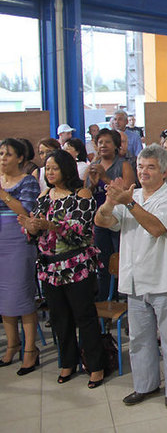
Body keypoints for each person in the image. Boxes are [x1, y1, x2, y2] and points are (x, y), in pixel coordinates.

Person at [94, 144, 167, 409]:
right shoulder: (132, 195)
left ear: (165, 172)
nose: (143, 172)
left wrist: (128, 203)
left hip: (165, 280)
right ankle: (145, 385)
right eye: (140, 166)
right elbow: (103, 221)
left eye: (150, 167)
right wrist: (110, 202)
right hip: (135, 281)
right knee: (139, 339)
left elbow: (157, 228)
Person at [19, 149, 105, 387]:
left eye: (54, 168)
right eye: (47, 169)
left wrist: (51, 225)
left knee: (84, 316)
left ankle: (95, 366)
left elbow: (81, 232)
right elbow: (36, 231)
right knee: (59, 318)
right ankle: (68, 362)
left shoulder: (81, 194)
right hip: (49, 267)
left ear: (66, 169)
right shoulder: (45, 195)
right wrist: (31, 227)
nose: (50, 172)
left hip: (75, 265)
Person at [0, 138, 42, 375]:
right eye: (0, 154)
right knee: (3, 297)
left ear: (20, 158)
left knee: (22, 295)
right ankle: (12, 344)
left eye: (7, 154)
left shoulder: (28, 181)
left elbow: (26, 211)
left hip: (18, 242)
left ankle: (29, 349)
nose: (3, 158)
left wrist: (3, 194)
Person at [87, 128, 135, 301]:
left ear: (115, 145)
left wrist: (105, 177)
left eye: (107, 142)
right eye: (100, 142)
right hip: (100, 218)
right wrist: (93, 184)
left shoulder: (123, 165)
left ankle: (127, 298)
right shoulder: (94, 164)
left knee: (122, 259)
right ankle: (106, 297)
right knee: (103, 261)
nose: (103, 145)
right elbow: (85, 193)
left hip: (120, 218)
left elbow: (129, 191)